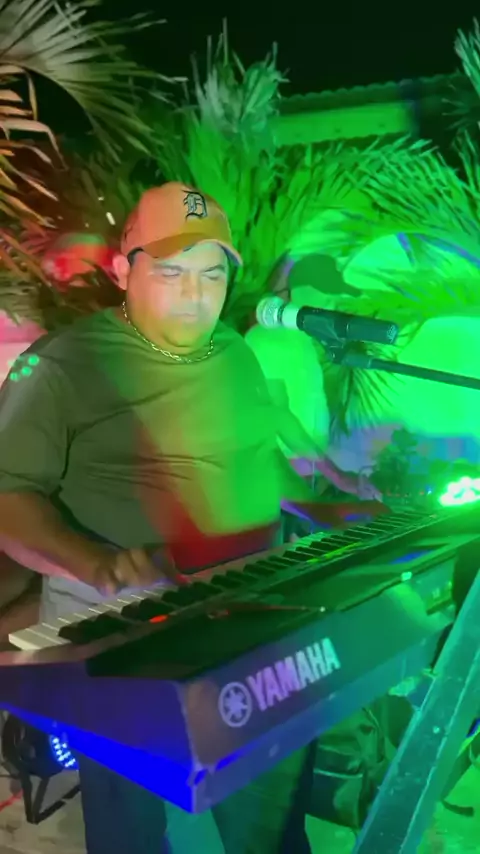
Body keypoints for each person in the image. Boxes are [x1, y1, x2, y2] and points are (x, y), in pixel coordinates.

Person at [0, 182, 373, 854]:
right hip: (121, 637)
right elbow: (8, 497)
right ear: (124, 271)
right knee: (132, 832)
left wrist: (330, 506)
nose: (195, 294)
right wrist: (99, 565)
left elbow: (260, 461)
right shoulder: (59, 366)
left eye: (212, 274)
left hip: (249, 618)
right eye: (172, 272)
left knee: (271, 824)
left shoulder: (232, 352)